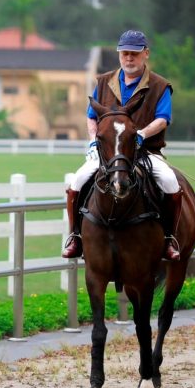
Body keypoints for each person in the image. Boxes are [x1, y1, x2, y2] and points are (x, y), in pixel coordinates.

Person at [61, 29, 185, 261]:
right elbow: (91, 115)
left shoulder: (160, 86)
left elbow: (163, 119)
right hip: (108, 151)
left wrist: (142, 134)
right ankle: (75, 236)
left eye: (134, 54)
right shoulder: (104, 81)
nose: (129, 58)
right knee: (77, 180)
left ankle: (170, 238)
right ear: (119, 54)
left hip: (145, 151)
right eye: (125, 53)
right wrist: (91, 140)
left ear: (145, 54)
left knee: (169, 182)